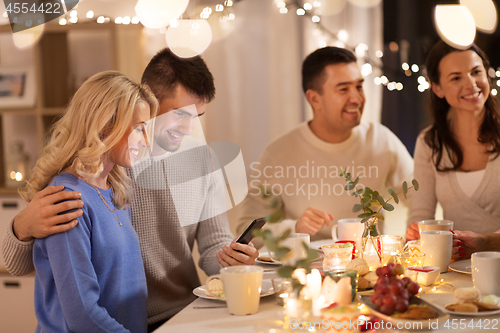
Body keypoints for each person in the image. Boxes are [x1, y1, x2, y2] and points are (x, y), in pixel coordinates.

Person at [1, 49, 259, 331]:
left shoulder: (196, 160)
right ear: (146, 98)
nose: (188, 128)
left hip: (182, 312)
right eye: (179, 114)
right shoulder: (106, 167)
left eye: (196, 116)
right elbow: (33, 270)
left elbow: (213, 247)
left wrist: (232, 261)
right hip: (119, 322)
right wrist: (21, 226)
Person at [20, 71, 158, 332]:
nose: (146, 140)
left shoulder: (114, 189)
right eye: (139, 128)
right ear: (106, 125)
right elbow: (83, 315)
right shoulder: (67, 199)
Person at [237, 46, 414, 241]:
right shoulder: (278, 153)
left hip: (368, 266)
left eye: (359, 86)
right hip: (306, 268)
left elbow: (418, 197)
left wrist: (412, 237)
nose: (356, 98)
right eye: (343, 89)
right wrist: (294, 228)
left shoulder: (381, 140)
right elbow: (246, 231)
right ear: (314, 99)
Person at [406, 41, 500, 251]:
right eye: (456, 78)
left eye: (476, 72)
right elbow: (421, 215)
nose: (471, 84)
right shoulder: (429, 143)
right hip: (454, 272)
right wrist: (416, 233)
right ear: (438, 88)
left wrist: (484, 242)